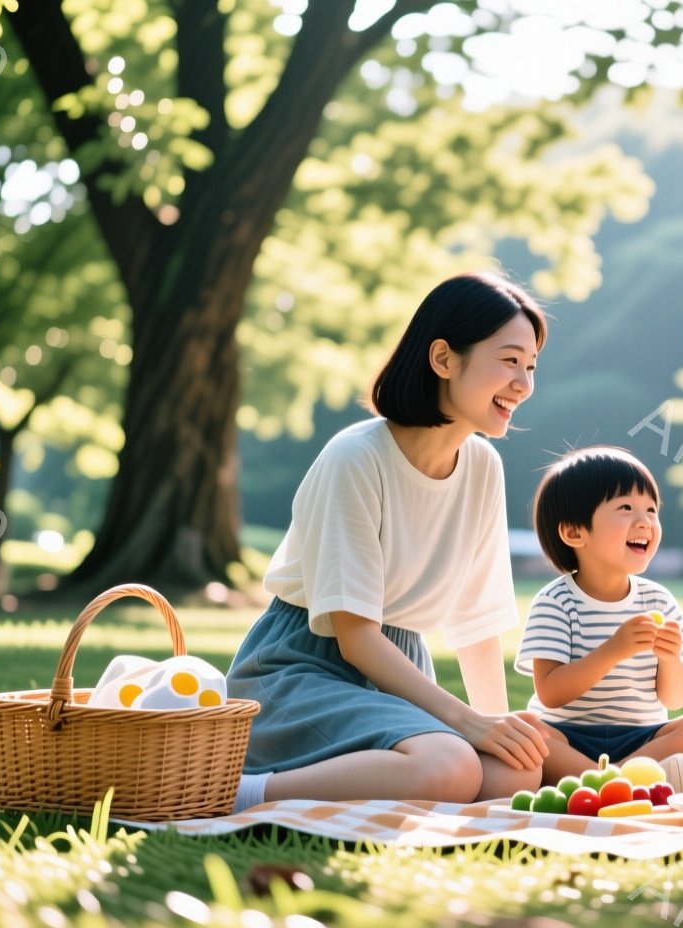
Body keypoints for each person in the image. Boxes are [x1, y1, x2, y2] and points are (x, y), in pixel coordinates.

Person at [226, 271, 555, 813]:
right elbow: (355, 636)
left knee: (513, 775)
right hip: (300, 668)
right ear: (444, 359)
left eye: (531, 366)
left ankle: (386, 779)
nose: (524, 383)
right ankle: (242, 793)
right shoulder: (356, 457)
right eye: (509, 359)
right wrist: (466, 723)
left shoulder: (482, 467)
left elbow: (476, 622)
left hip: (398, 669)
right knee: (448, 766)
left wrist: (501, 730)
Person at [515, 446, 683, 790]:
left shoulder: (658, 600)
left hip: (643, 738)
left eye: (651, 509)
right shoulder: (556, 602)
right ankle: (628, 782)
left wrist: (670, 659)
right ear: (575, 533)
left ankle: (606, 782)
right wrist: (613, 650)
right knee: (528, 729)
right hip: (570, 737)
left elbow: (675, 700)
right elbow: (550, 694)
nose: (645, 521)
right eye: (625, 508)